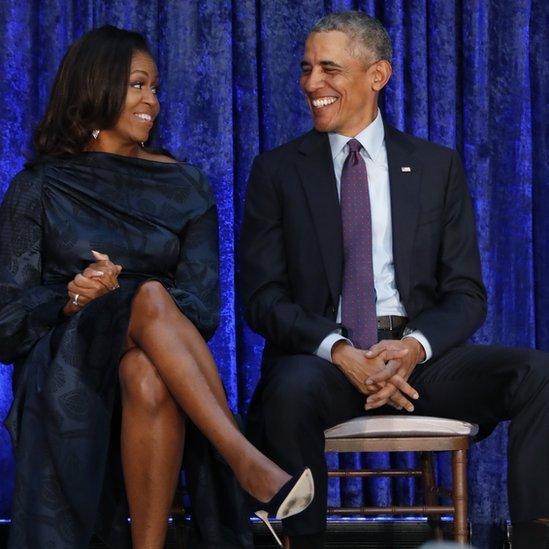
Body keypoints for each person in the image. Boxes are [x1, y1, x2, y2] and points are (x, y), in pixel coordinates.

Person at [240, 11, 549, 549]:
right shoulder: (278, 171)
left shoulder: (435, 166)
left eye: (329, 69)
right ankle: (302, 541)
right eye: (307, 68)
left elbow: (466, 294)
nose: (312, 83)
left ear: (377, 75)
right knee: (287, 391)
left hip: (417, 360)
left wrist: (411, 348)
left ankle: (532, 537)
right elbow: (261, 298)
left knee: (537, 374)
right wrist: (338, 349)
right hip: (325, 363)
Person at [0, 25, 314, 549]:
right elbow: (7, 319)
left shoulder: (184, 184)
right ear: (95, 87)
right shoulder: (40, 185)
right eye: (138, 86)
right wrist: (74, 295)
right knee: (147, 296)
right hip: (67, 356)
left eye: (155, 87)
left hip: (166, 354)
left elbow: (203, 306)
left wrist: (139, 309)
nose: (153, 101)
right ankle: (242, 458)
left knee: (146, 364)